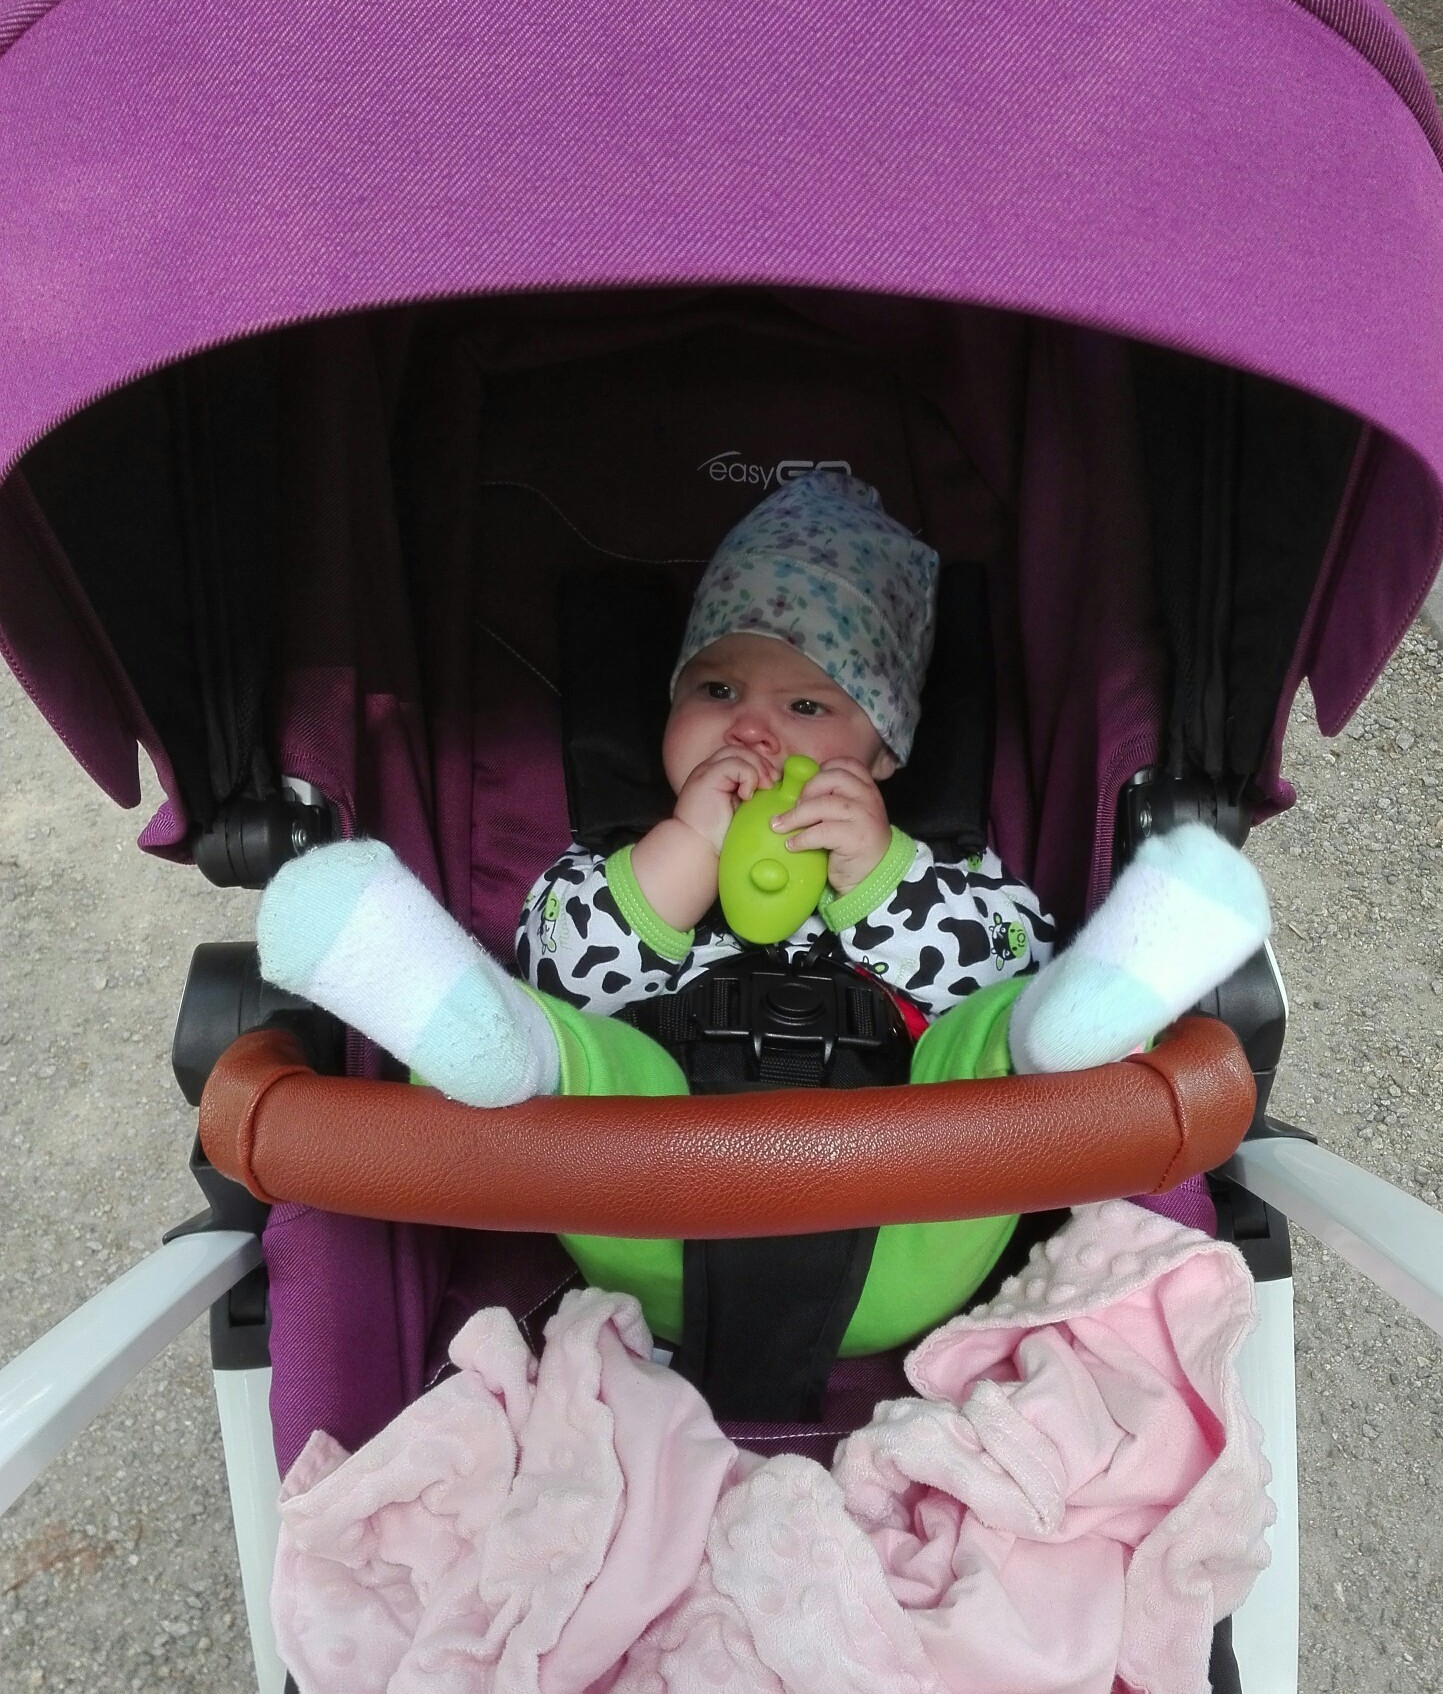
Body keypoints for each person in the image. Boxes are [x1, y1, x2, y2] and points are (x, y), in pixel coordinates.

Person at [258, 473, 1269, 1353]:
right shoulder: (614, 861)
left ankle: (1082, 1021)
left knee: (996, 1033)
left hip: (917, 1200)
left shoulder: (941, 866)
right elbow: (561, 966)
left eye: (808, 706)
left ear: (883, 755)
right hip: (643, 1196)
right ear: (667, 712)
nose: (750, 727)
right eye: (717, 686)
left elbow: (1005, 954)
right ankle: (466, 1030)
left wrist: (881, 875)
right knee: (571, 1052)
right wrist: (682, 852)